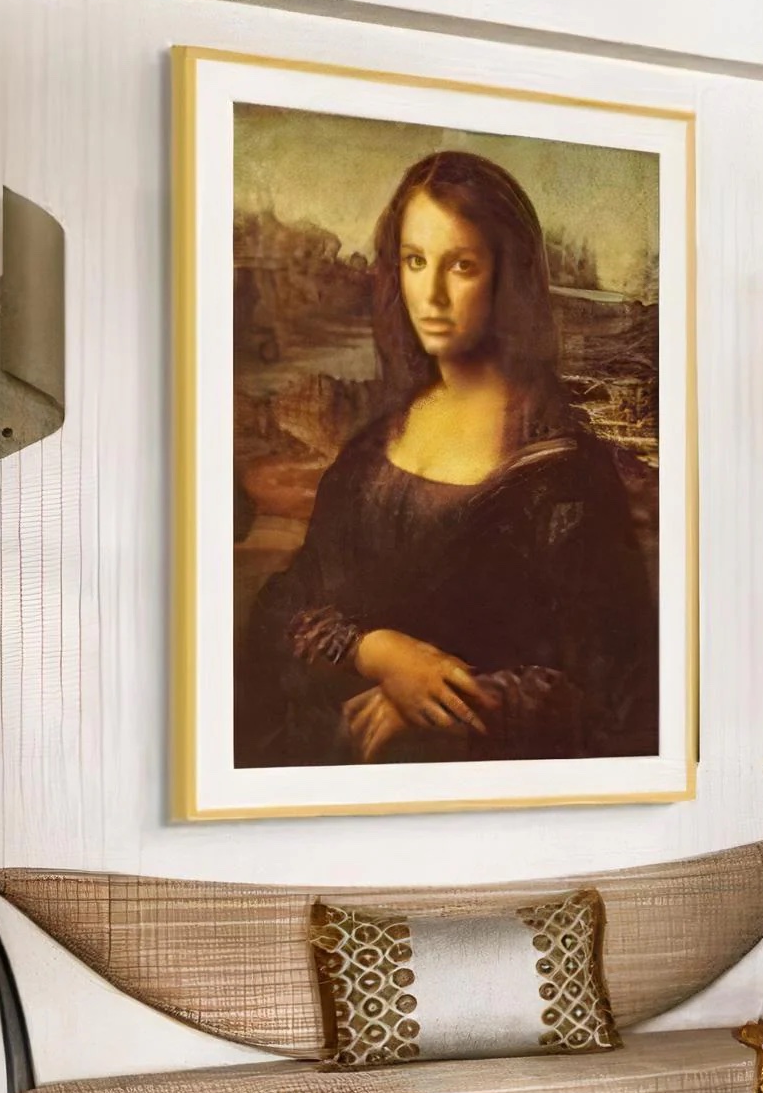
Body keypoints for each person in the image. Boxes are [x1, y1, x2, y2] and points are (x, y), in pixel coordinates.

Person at [238, 150, 657, 767]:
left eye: (461, 265)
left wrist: (448, 702)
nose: (431, 294)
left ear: (506, 277)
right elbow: (286, 609)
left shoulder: (563, 475)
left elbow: (619, 699)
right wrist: (379, 653)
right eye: (415, 261)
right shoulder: (373, 448)